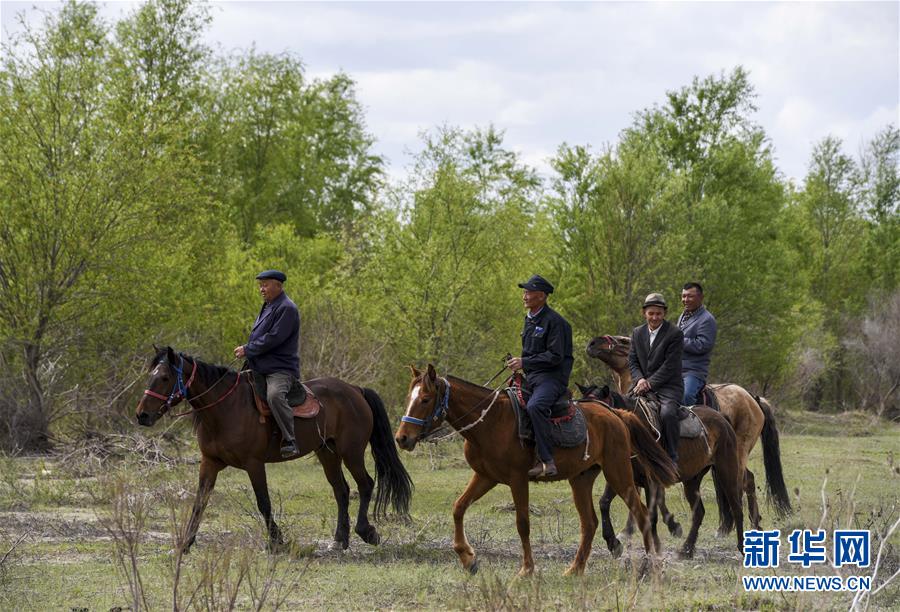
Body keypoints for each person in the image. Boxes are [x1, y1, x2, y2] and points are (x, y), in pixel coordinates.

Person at [506, 274, 573, 478]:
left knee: (536, 406)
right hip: (533, 377)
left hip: (552, 378)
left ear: (542, 296)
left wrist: (524, 362)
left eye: (529, 292)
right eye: (524, 292)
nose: (524, 296)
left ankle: (547, 460)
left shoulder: (556, 322)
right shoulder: (529, 320)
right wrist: (518, 365)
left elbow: (554, 357)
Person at [234, 270, 301, 458]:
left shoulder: (287, 308)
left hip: (279, 368)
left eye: (265, 284)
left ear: (278, 286)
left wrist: (248, 349)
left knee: (274, 395)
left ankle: (290, 440)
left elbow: (274, 338)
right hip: (259, 365)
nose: (261, 289)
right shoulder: (269, 306)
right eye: (260, 285)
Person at [627, 293, 684, 464]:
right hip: (640, 383)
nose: (654, 317)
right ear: (644, 313)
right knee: (622, 408)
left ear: (664, 313)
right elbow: (632, 360)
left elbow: (670, 366)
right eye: (651, 313)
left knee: (667, 414)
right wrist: (639, 380)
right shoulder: (637, 332)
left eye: (658, 314)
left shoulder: (675, 333)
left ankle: (672, 454)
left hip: (668, 386)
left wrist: (649, 383)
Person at [677, 282, 717, 406]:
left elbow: (702, 345)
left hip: (693, 371)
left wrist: (678, 339)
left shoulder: (707, 319)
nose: (685, 300)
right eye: (683, 296)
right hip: (676, 369)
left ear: (701, 297)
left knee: (686, 396)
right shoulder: (683, 315)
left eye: (690, 296)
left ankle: (693, 424)